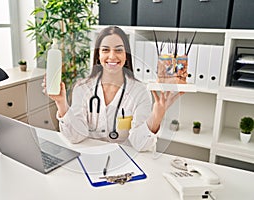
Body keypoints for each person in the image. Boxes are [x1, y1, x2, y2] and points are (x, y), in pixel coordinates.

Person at [44, 26, 183, 152]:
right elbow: (76, 136)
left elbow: (139, 144)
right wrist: (61, 104)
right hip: (90, 157)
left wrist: (157, 116)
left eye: (118, 50)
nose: (112, 56)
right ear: (98, 55)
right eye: (105, 50)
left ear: (125, 55)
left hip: (126, 163)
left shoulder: (140, 91)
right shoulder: (82, 88)